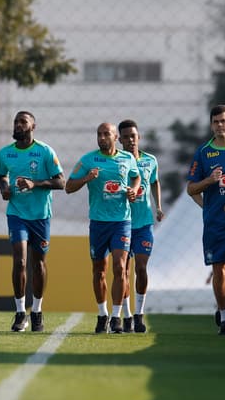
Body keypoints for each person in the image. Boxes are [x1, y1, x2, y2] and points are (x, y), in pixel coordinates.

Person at [65, 123, 140, 334]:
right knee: (99, 270)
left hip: (122, 222)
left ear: (116, 137)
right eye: (99, 134)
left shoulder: (127, 158)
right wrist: (86, 179)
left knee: (120, 267)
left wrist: (133, 190)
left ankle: (116, 317)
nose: (102, 137)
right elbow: (68, 187)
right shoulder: (88, 160)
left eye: (106, 134)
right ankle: (102, 313)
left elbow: (136, 176)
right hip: (98, 223)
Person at [0, 111, 65, 332]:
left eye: (22, 122)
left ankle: (37, 310)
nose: (18, 125)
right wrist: (4, 188)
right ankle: (19, 312)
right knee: (20, 261)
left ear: (33, 126)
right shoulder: (6, 153)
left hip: (40, 216)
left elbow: (61, 182)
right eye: (16, 122)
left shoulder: (44, 152)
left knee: (39, 264)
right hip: (16, 213)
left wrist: (35, 184)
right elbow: (0, 175)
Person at [186, 105, 225, 335]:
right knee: (220, 271)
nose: (220, 125)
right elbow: (191, 188)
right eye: (216, 122)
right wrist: (209, 184)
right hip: (216, 223)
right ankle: (224, 317)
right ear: (211, 125)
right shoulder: (203, 153)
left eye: (224, 121)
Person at [117, 119, 164, 333]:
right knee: (123, 271)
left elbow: (154, 182)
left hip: (144, 223)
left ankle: (139, 314)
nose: (130, 140)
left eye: (133, 136)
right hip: (122, 222)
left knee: (141, 268)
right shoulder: (117, 161)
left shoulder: (150, 160)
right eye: (125, 137)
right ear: (119, 139)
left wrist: (159, 207)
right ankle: (126, 316)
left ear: (139, 137)